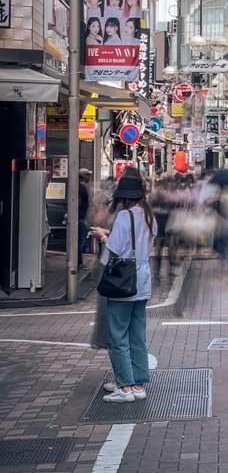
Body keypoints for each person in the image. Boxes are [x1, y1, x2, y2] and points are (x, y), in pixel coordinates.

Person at [89, 168, 157, 403]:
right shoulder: (149, 216)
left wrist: (103, 237)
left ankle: (125, 387)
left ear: (125, 196)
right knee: (137, 335)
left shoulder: (124, 216)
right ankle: (138, 383)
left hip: (123, 282)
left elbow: (115, 248)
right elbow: (142, 243)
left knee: (117, 335)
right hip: (143, 280)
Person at [78, 169, 92, 270]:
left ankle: (79, 262)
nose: (89, 177)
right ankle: (78, 263)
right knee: (80, 242)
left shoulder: (81, 188)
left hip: (80, 218)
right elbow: (79, 204)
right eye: (88, 175)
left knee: (80, 242)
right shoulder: (81, 188)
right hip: (80, 219)